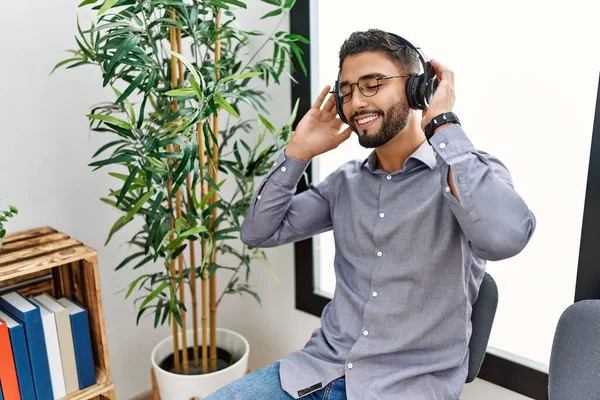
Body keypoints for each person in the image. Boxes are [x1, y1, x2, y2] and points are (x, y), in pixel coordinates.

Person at [205, 29, 536, 400]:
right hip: (316, 372)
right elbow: (258, 232)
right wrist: (297, 151)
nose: (356, 102)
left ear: (417, 89)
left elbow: (506, 238)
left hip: (405, 387)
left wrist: (443, 123)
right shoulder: (343, 184)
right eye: (346, 91)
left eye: (372, 84)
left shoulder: (466, 174)